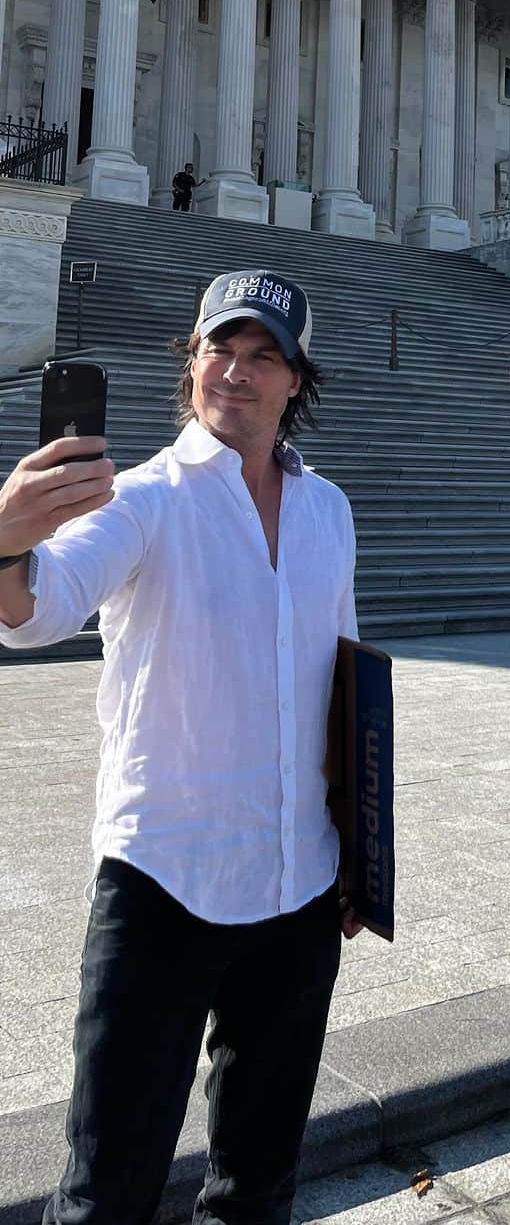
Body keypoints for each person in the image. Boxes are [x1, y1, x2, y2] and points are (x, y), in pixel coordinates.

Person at [0, 270, 361, 1225]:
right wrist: (4, 545)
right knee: (105, 1191)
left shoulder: (328, 510)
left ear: (296, 380)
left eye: (262, 357)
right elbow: (34, 613)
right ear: (192, 363)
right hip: (164, 879)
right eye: (218, 350)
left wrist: (360, 857)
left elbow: (346, 692)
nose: (235, 372)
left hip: (298, 884)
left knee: (256, 1183)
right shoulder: (140, 500)